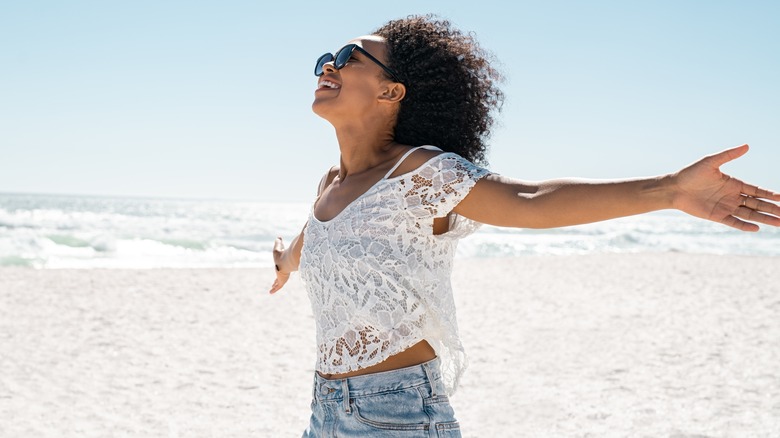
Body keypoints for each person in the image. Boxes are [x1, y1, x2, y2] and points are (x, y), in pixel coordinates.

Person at [269, 14, 780, 437]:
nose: (329, 66)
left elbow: (531, 200)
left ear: (392, 91)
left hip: (395, 413)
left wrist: (668, 189)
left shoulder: (423, 173)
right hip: (324, 409)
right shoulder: (331, 183)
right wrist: (285, 261)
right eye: (324, 61)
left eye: (348, 57)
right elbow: (313, 239)